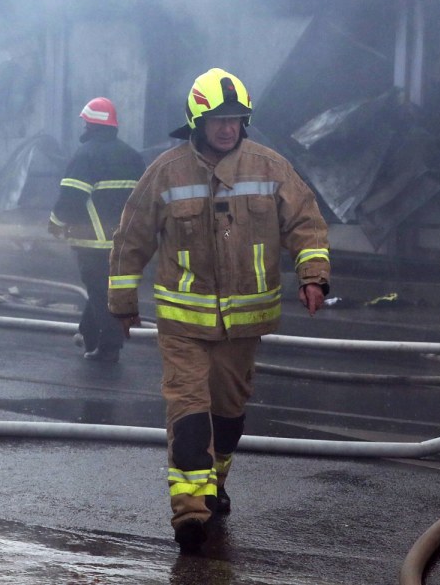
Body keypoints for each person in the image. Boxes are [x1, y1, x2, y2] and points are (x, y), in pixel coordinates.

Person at [107, 68, 331, 555]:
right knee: (188, 412)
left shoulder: (271, 168)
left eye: (235, 119)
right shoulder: (165, 173)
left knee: (228, 415)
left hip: (243, 327)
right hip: (183, 324)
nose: (228, 128)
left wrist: (314, 276)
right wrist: (122, 302)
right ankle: (190, 512)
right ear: (197, 121)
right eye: (218, 120)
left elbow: (307, 225)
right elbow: (132, 239)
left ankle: (214, 482)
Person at [48, 97, 146, 362]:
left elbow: (71, 196)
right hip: (127, 241)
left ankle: (109, 348)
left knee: (101, 291)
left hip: (94, 242)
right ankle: (88, 333)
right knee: (103, 289)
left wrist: (55, 224)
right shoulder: (132, 155)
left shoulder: (86, 155)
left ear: (90, 125)